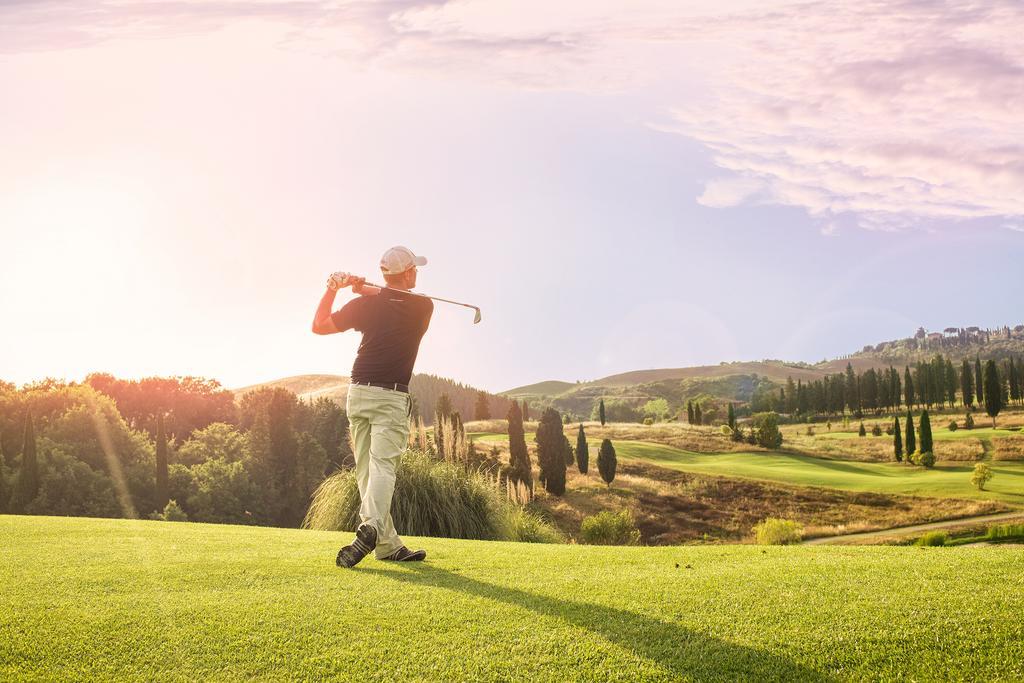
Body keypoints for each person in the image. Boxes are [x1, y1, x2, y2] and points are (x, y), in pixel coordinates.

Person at [312, 245, 433, 567]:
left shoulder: (364, 306)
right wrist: (358, 287)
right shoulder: (422, 306)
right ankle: (370, 528)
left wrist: (333, 289)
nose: (418, 273)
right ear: (406, 273)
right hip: (390, 396)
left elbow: (320, 325)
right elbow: (389, 299)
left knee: (366, 471)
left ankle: (388, 546)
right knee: (383, 468)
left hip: (358, 392)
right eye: (415, 269)